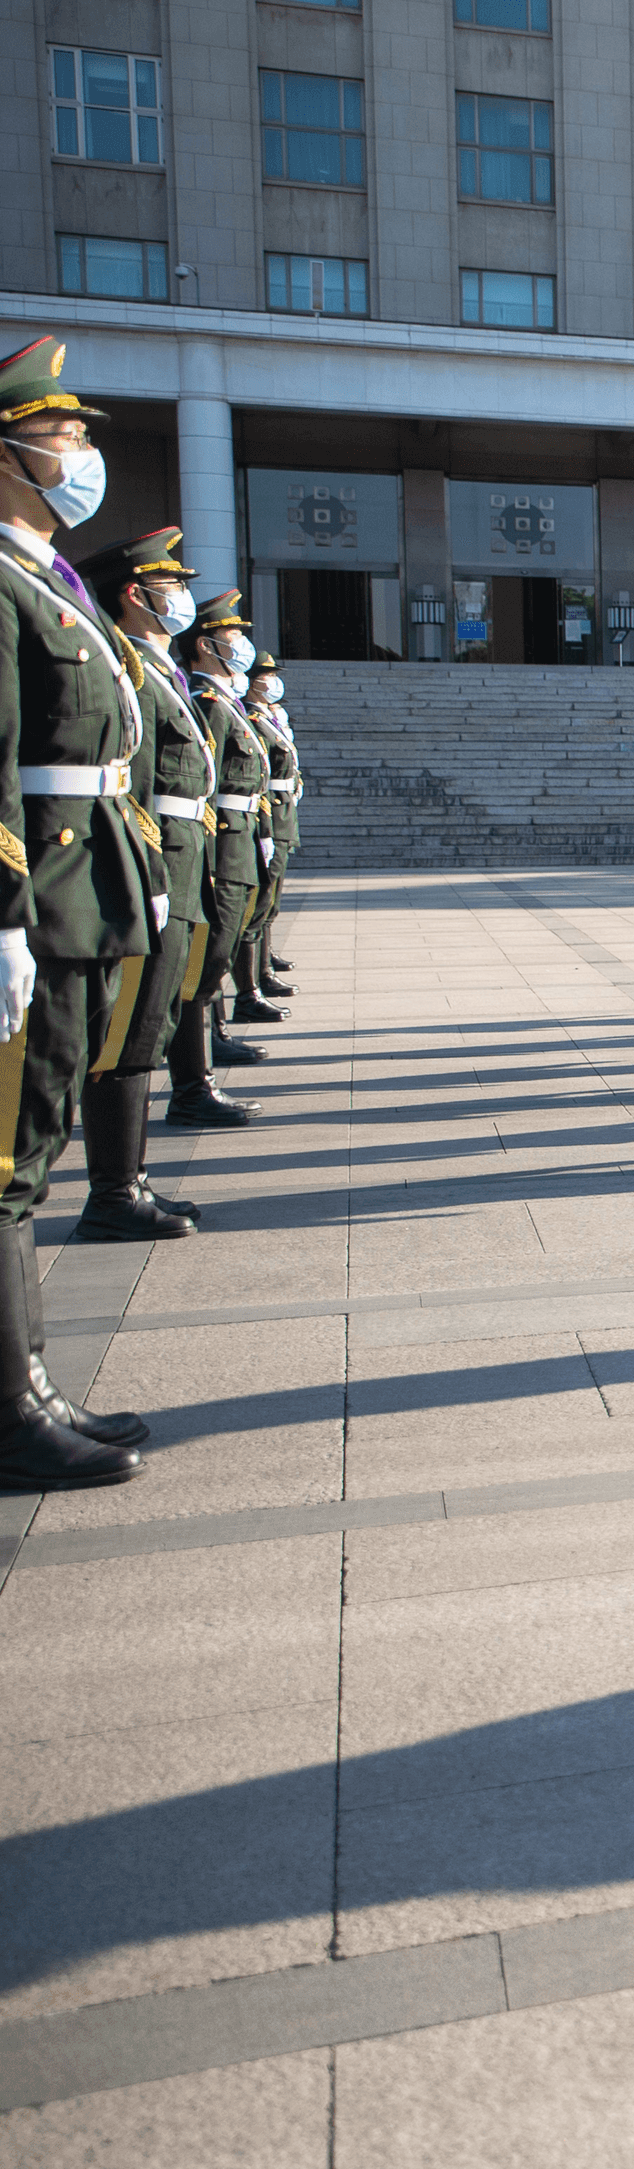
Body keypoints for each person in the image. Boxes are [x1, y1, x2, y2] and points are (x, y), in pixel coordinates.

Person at [0, 336, 154, 1485]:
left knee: (34, 1139)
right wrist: (4, 908)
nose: (84, 452)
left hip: (83, 881)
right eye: (63, 436)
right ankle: (13, 1410)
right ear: (10, 456)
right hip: (41, 888)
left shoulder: (46, 582)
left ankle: (33, 1381)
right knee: (5, 1159)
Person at [75, 528, 211, 1241]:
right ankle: (112, 1192)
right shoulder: (130, 668)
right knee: (128, 1031)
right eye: (170, 585)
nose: (181, 597)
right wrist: (151, 872)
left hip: (177, 860)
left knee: (149, 1022)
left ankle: (133, 1178)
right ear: (135, 594)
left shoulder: (154, 671)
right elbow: (136, 784)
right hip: (152, 863)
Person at [177, 595, 275, 1087]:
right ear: (205, 644)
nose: (242, 647)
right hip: (221, 841)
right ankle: (198, 1063)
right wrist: (210, 861)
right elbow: (208, 785)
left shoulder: (227, 703)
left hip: (242, 835)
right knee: (209, 952)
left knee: (222, 946)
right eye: (233, 638)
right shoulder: (207, 702)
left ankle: (213, 1037)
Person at [238, 650, 300, 1028]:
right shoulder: (246, 716)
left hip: (281, 812)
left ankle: (261, 969)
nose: (272, 680)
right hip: (265, 815)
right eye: (266, 674)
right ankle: (249, 988)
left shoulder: (268, 717)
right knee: (254, 906)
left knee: (269, 899)